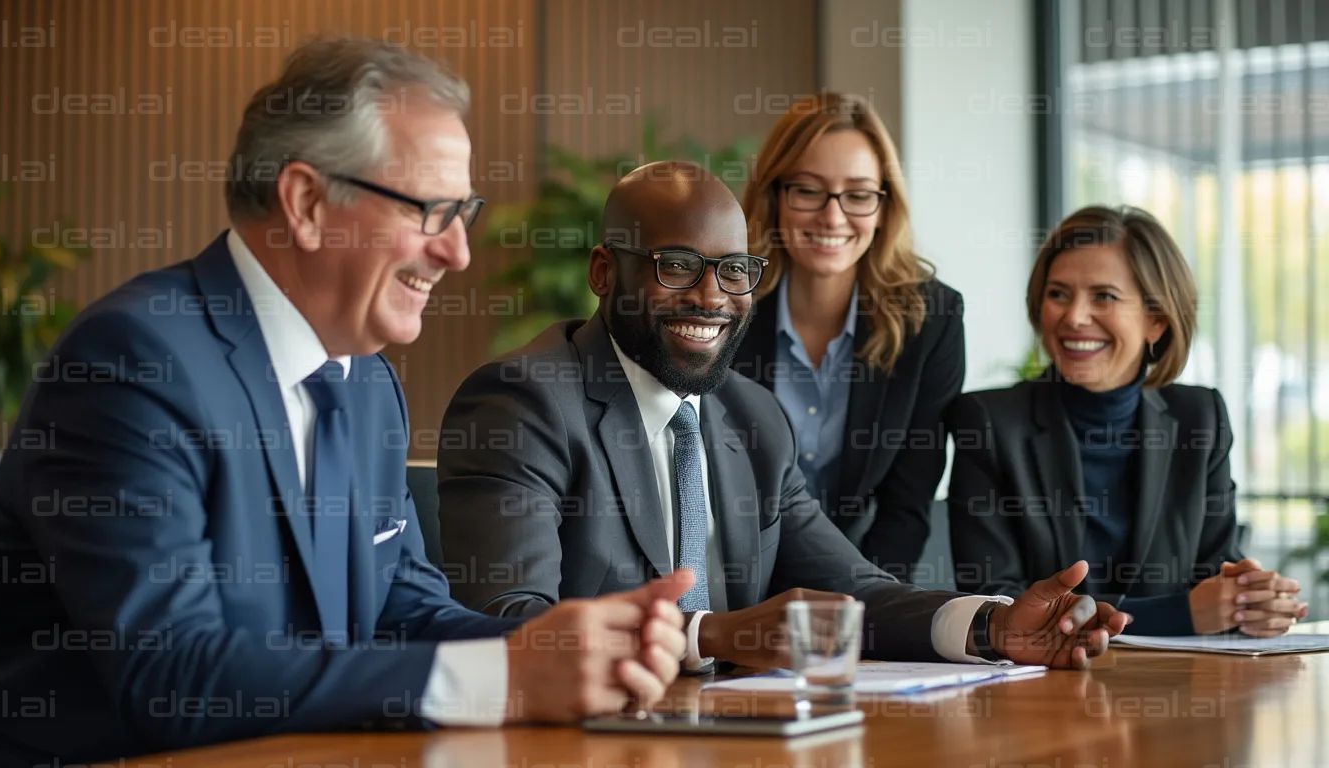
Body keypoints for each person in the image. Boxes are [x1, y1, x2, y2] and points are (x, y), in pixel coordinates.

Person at [0, 39, 691, 765]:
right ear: (307, 203)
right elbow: (176, 677)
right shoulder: (132, 362)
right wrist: (506, 678)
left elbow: (399, 611)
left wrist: (565, 646)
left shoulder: (367, 381)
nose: (458, 252)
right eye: (431, 210)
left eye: (465, 212)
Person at [438, 160, 1128, 675]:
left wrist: (994, 627)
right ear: (602, 272)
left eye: (735, 271)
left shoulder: (751, 416)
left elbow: (852, 591)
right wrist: (708, 634)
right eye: (676, 267)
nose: (712, 297)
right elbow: (508, 625)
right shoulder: (522, 401)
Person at [947, 205, 1307, 637]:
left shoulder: (1200, 419)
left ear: (1155, 320)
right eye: (1058, 294)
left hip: (1181, 690)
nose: (1074, 316)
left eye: (1104, 297)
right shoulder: (989, 422)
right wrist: (1177, 614)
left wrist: (1250, 602)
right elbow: (998, 603)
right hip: (1042, 690)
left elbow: (1216, 578)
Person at [732, 93, 964, 580]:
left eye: (858, 194)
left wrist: (864, 614)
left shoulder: (931, 319)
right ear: (775, 196)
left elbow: (907, 506)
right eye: (808, 191)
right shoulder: (728, 304)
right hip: (730, 583)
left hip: (861, 578)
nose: (833, 218)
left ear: (884, 206)